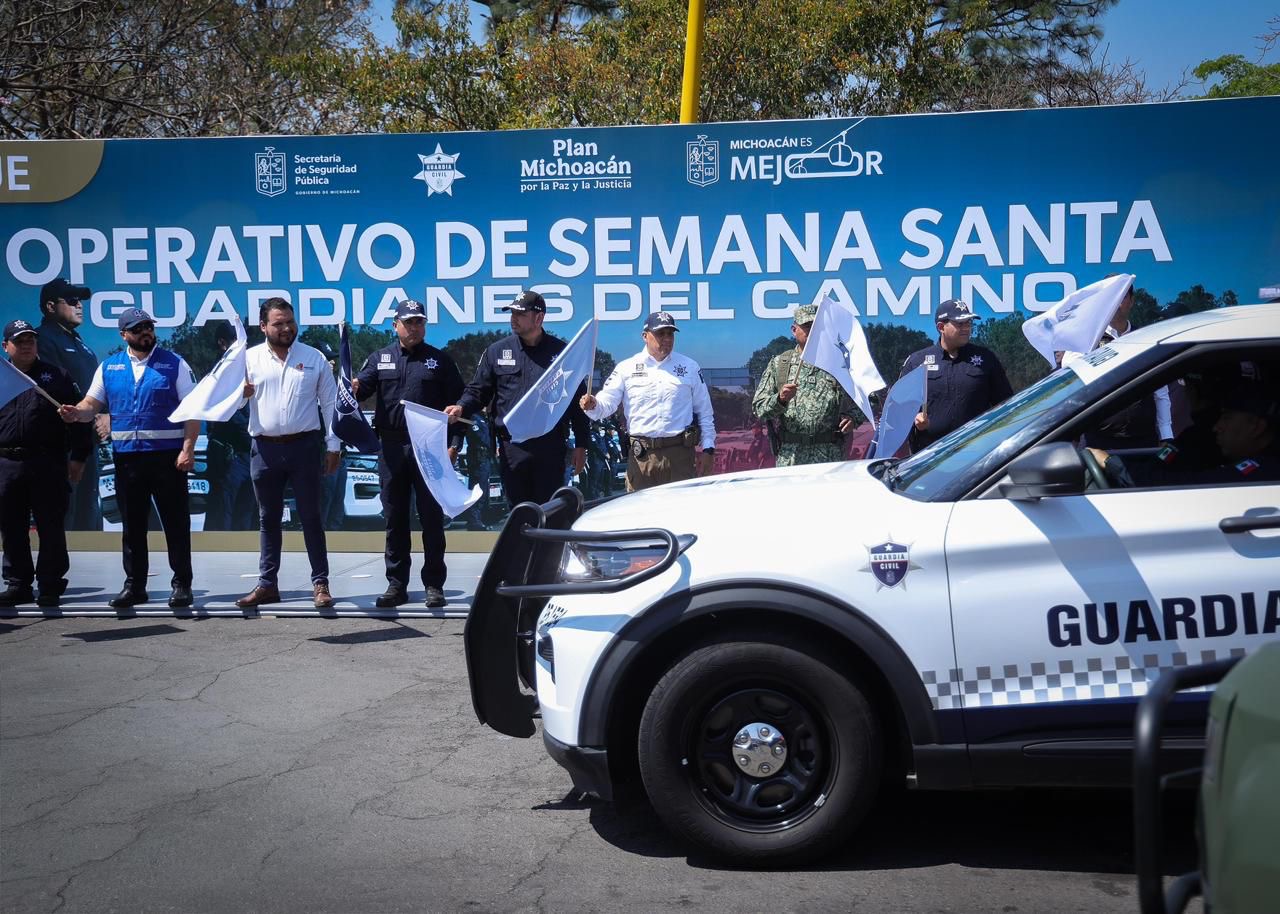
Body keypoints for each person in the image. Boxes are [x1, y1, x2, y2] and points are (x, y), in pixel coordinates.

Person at [58, 308, 198, 609]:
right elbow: (90, 404)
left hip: (167, 459)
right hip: (128, 461)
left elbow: (193, 410)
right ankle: (135, 586)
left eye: (149, 326)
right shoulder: (110, 367)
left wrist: (188, 448)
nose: (146, 332)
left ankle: (182, 584)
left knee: (176, 524)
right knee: (132, 527)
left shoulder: (174, 364)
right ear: (124, 335)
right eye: (138, 329)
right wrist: (76, 413)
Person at [352, 299, 464, 609]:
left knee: (431, 519)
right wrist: (353, 388)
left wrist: (454, 444)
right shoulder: (379, 358)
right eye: (408, 322)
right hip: (391, 448)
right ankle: (396, 585)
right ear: (395, 325)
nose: (414, 327)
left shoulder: (440, 361)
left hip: (429, 449)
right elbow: (360, 392)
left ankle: (433, 585)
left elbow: (459, 406)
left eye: (419, 322)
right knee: (395, 518)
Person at [235, 298, 340, 610]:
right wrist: (239, 394)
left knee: (311, 517)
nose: (286, 328)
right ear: (264, 326)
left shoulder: (314, 357)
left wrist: (333, 446)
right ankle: (267, 585)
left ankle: (320, 583)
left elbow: (331, 405)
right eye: (278, 323)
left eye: (290, 321)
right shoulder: (248, 359)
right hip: (264, 449)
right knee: (268, 519)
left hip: (305, 447)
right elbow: (230, 406)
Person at [445, 290, 588, 506]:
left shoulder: (562, 354)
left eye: (520, 314)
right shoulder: (497, 351)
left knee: (550, 512)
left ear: (539, 318)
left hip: (551, 447)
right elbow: (478, 390)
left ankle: (549, 542)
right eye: (512, 313)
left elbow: (577, 403)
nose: (514, 319)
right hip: (512, 448)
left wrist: (582, 444)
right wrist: (461, 407)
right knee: (519, 512)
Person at [0, 320, 93, 607]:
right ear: (7, 347)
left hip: (46, 462)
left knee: (50, 526)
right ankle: (18, 584)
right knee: (12, 526)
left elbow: (78, 418)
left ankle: (50, 584)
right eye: (20, 341)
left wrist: (78, 456)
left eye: (31, 340)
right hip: (6, 463)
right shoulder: (2, 377)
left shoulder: (58, 376)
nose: (27, 345)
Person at [579, 311, 716, 491]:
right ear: (645, 336)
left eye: (670, 333)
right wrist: (593, 404)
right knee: (639, 516)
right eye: (660, 333)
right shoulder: (626, 368)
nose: (667, 338)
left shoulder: (689, 367)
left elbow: (705, 412)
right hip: (641, 458)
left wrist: (708, 450)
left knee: (680, 515)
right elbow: (607, 403)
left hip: (680, 457)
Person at [1090, 379, 1279, 487]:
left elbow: (1182, 484)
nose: (1216, 427)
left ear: (1256, 426)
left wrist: (1111, 463)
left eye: (1227, 418)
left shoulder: (1262, 471)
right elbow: (1162, 466)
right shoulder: (1200, 441)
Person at [1062, 282, 1173, 449]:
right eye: (1110, 296)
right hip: (1098, 445)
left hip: (1143, 442)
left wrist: (1166, 435)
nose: (1115, 302)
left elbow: (1160, 390)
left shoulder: (1147, 338)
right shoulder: (1087, 341)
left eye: (1121, 296)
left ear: (1131, 301)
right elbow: (1070, 382)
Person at [36, 278, 105, 531]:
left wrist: (104, 415)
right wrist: (88, 413)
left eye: (81, 301)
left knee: (89, 510)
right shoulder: (42, 339)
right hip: (61, 443)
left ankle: (92, 569)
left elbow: (99, 387)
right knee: (66, 511)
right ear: (51, 307)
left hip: (86, 441)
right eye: (73, 300)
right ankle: (58, 568)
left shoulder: (81, 344)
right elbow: (53, 387)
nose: (80, 306)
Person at [899, 299, 1012, 451]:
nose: (966, 328)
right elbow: (901, 411)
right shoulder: (917, 361)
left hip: (977, 451)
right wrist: (915, 420)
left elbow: (1006, 405)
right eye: (960, 324)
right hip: (928, 456)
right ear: (941, 327)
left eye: (969, 323)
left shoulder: (986, 358)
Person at [750, 304, 856, 467]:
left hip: (830, 455)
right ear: (794, 330)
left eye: (818, 327)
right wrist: (780, 400)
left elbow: (870, 398)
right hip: (791, 456)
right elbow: (759, 409)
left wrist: (853, 418)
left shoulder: (839, 363)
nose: (813, 332)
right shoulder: (780, 364)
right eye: (807, 326)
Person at [204, 321, 255, 531]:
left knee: (246, 516)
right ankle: (219, 562)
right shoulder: (218, 373)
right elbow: (231, 416)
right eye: (236, 341)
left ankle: (243, 563)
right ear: (222, 343)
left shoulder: (246, 370)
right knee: (222, 517)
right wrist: (256, 436)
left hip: (248, 455)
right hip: (228, 456)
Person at [314, 341, 348, 532]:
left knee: (337, 502)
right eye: (327, 360)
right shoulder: (309, 389)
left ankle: (335, 538)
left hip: (341, 454)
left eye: (333, 360)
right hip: (321, 454)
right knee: (323, 502)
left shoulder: (337, 387)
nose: (332, 364)